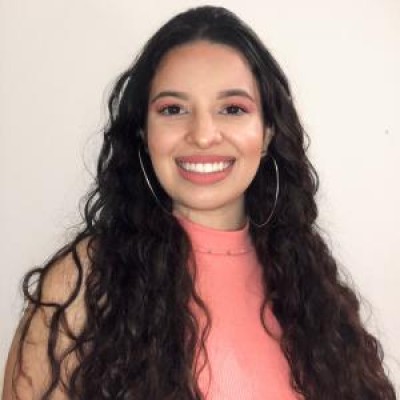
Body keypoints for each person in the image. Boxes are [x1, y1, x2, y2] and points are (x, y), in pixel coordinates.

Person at [2, 5, 396, 400]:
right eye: (173, 110)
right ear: (143, 133)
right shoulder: (85, 281)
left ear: (267, 133)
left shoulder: (313, 292)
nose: (204, 135)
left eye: (232, 109)